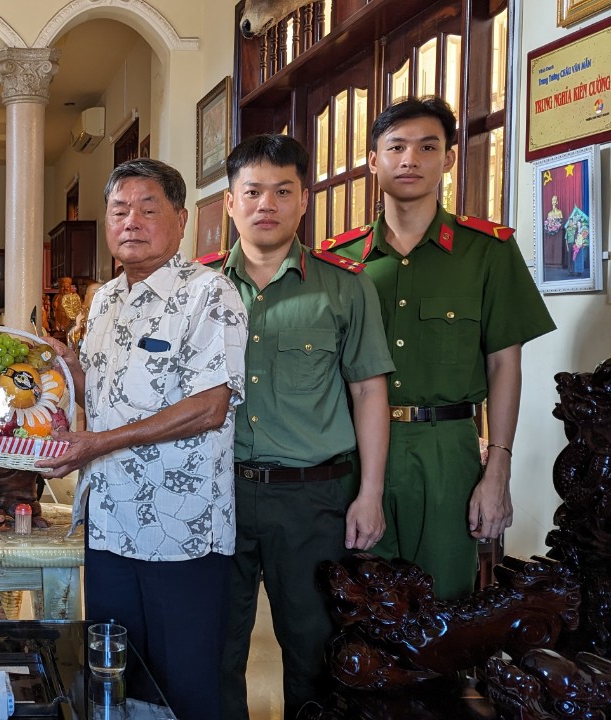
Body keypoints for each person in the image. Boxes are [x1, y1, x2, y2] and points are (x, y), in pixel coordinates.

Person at [38, 158, 248, 719]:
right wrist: (68, 374)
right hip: (108, 525)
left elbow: (209, 406)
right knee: (116, 679)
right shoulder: (103, 300)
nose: (131, 221)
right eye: (119, 209)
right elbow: (102, 398)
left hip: (180, 530)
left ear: (180, 220)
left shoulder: (211, 294)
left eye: (147, 208)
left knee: (184, 684)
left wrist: (96, 444)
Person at [326, 96, 556, 599]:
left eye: (427, 147)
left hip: (447, 452)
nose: (410, 159)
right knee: (357, 610)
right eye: (396, 147)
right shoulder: (340, 263)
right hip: (353, 452)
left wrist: (497, 468)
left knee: (446, 610)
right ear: (373, 160)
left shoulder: (487, 251)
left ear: (449, 158)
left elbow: (505, 366)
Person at [206, 135, 392, 720]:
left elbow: (369, 390)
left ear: (303, 200)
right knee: (216, 647)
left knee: (313, 648)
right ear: (231, 203)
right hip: (219, 493)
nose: (267, 203)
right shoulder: (198, 290)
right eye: (253, 191)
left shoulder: (345, 285)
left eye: (282, 191)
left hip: (312, 498)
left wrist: (369, 493)